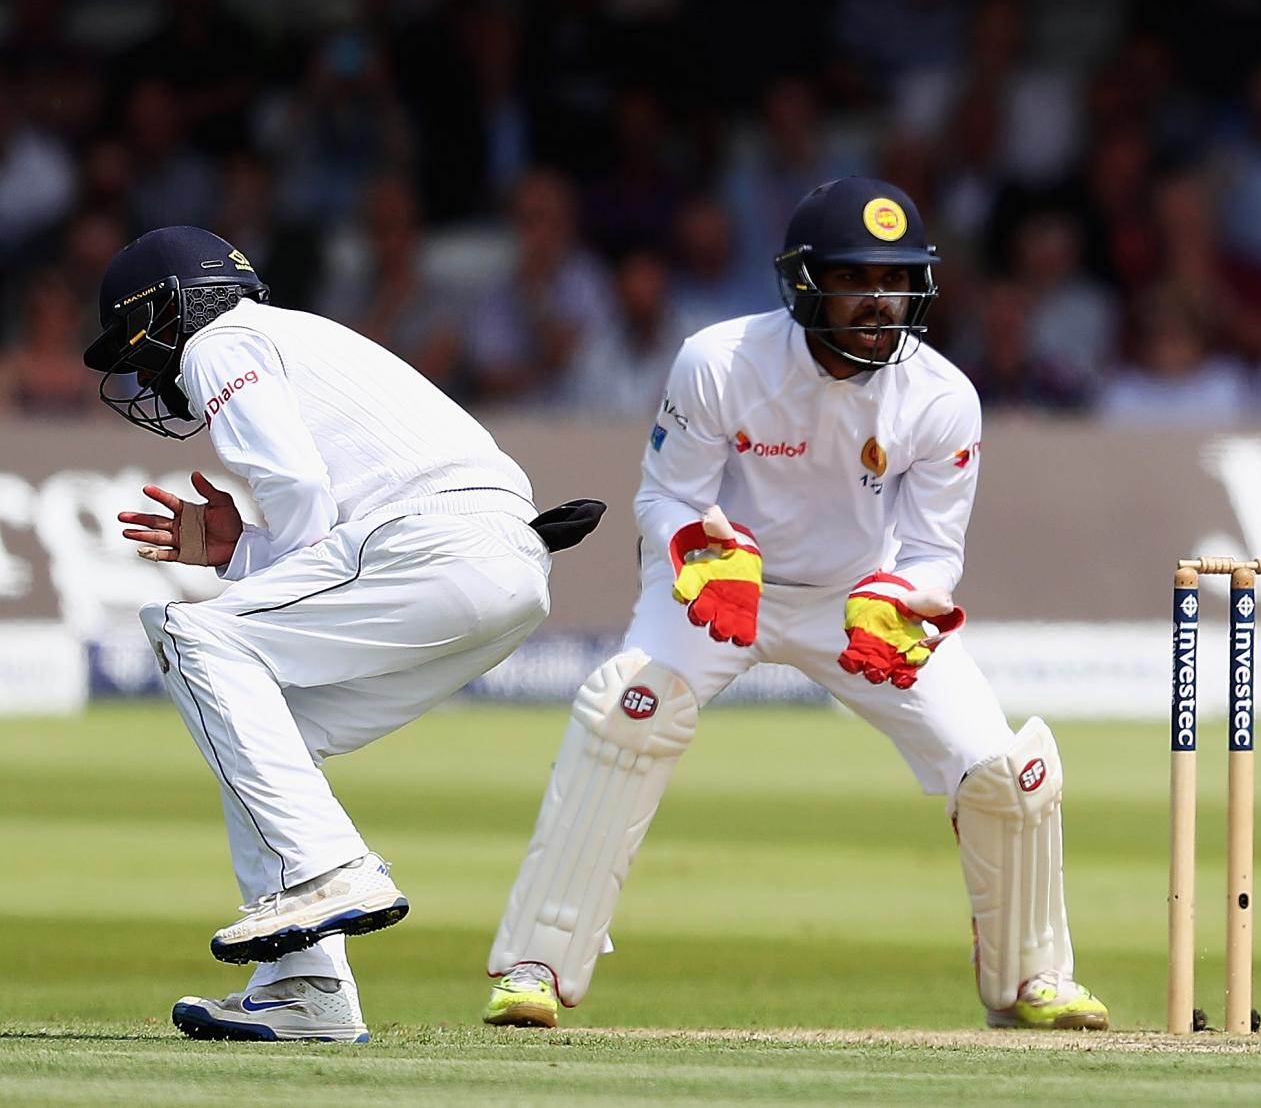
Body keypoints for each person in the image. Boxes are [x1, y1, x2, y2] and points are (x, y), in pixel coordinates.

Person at [481, 178, 1107, 1032]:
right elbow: (664, 497)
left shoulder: (943, 395)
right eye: (855, 278)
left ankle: (1034, 979)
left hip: (857, 600)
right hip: (721, 586)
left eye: (895, 280)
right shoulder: (720, 360)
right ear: (806, 281)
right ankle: (536, 967)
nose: (879, 301)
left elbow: (932, 552)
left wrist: (903, 601)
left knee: (1004, 772)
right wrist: (704, 558)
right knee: (626, 714)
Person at [81, 225, 603, 1044]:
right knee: (264, 728)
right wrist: (243, 551)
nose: (143, 370)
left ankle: (328, 870)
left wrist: (264, 549)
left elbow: (297, 486)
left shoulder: (221, 339)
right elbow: (325, 527)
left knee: (191, 638)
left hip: (436, 542)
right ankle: (305, 988)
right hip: (501, 567)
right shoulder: (287, 335)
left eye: (137, 343)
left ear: (171, 307)